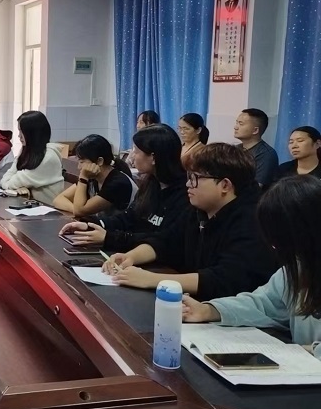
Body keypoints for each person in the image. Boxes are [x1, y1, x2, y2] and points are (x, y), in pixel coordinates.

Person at [102, 143, 276, 300]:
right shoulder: (199, 209)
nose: (188, 184)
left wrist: (152, 279)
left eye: (195, 178)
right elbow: (167, 240)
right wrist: (131, 257)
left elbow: (225, 278)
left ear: (225, 185)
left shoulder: (253, 220)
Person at [182, 176, 321, 358]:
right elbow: (263, 304)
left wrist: (309, 350)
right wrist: (208, 310)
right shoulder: (296, 270)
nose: (275, 247)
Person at [60, 124, 189, 251]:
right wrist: (90, 225)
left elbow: (162, 240)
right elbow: (129, 218)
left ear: (153, 157)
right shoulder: (151, 184)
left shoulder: (184, 194)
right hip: (134, 252)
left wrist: (109, 238)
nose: (132, 156)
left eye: (136, 151)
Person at [53, 134, 136, 216]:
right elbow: (58, 200)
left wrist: (83, 178)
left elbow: (79, 211)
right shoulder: (93, 177)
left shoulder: (117, 183)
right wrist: (75, 209)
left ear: (99, 161)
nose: (79, 167)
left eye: (82, 162)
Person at [0, 111, 64, 202]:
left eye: (22, 131)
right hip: (29, 204)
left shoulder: (49, 157)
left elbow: (10, 183)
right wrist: (17, 187)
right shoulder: (27, 150)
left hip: (48, 208)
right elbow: (5, 179)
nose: (19, 136)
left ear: (33, 133)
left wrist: (15, 186)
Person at [234, 108, 278, 187]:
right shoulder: (234, 150)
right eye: (237, 123)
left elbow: (257, 187)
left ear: (255, 130)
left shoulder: (266, 154)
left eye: (241, 124)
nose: (235, 127)